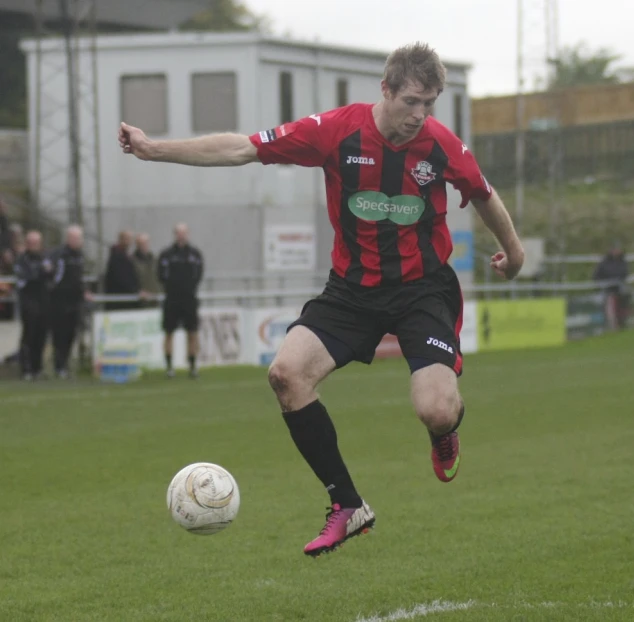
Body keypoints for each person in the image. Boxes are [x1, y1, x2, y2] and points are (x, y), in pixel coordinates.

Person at [118, 42, 525, 556]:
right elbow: (243, 147)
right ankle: (348, 505)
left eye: (430, 104)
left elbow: (484, 194)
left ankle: (446, 431)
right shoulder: (335, 131)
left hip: (422, 290)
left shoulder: (440, 145)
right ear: (386, 89)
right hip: (351, 290)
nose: (420, 116)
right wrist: (154, 149)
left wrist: (515, 255)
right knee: (286, 375)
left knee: (436, 409)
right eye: (412, 102)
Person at [157, 223, 204, 379]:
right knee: (169, 332)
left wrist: (189, 287)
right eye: (179, 233)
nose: (181, 235)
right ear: (175, 234)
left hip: (189, 299)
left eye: (184, 233)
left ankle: (192, 366)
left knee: (192, 333)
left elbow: (199, 274)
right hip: (172, 299)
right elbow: (161, 275)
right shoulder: (167, 254)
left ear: (188, 234)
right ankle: (169, 367)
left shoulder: (194, 254)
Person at [49, 225, 90, 378]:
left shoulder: (79, 255)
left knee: (71, 334)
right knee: (60, 334)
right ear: (69, 238)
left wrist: (83, 291)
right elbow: (55, 278)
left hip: (75, 301)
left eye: (80, 238)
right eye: (76, 238)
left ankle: (64, 364)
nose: (79, 241)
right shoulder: (60, 255)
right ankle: (59, 366)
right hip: (60, 301)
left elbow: (78, 278)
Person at [14, 230, 51, 380]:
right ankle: (26, 369)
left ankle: (37, 368)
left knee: (41, 336)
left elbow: (50, 273)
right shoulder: (22, 260)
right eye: (31, 242)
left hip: (43, 301)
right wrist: (41, 272)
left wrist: (44, 272)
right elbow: (27, 277)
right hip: (28, 302)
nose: (33, 245)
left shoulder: (44, 258)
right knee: (29, 335)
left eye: (36, 243)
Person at [593, 242, 629, 330]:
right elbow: (596, 276)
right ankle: (612, 326)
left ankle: (622, 324)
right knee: (610, 309)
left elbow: (625, 273)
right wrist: (603, 283)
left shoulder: (622, 261)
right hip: (608, 291)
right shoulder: (604, 263)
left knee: (622, 307)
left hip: (620, 290)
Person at [104, 230, 141, 310]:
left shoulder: (127, 256)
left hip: (127, 298)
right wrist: (136, 291)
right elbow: (122, 278)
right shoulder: (117, 257)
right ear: (121, 239)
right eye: (127, 239)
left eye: (130, 239)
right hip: (119, 300)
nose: (130, 242)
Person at [133, 233, 161, 307]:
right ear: (137, 245)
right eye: (141, 243)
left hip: (156, 299)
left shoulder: (155, 260)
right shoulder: (132, 261)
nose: (143, 246)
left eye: (145, 243)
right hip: (140, 300)